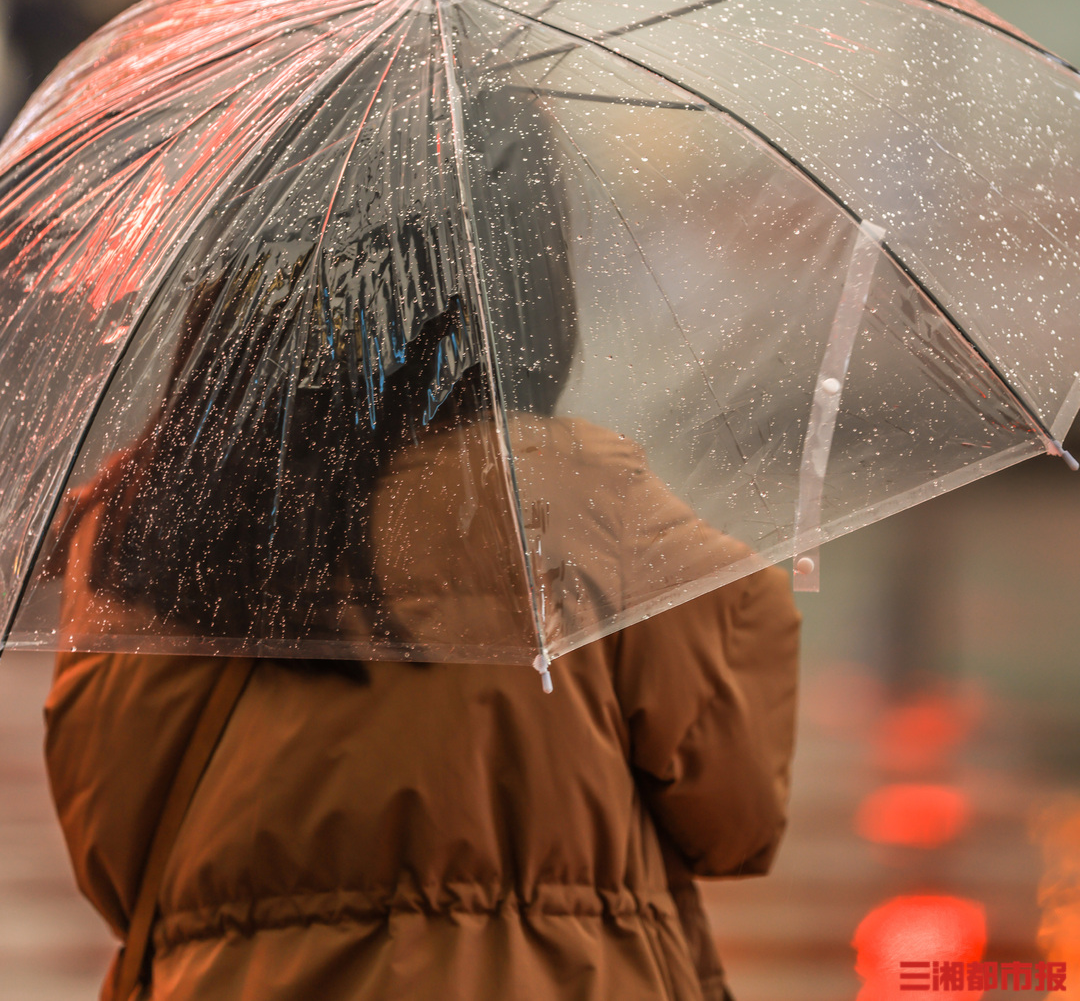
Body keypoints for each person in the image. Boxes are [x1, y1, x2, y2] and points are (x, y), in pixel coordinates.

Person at [42, 83, 800, 1001]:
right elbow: (737, 813)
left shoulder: (143, 524)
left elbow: (116, 861)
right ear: (517, 273)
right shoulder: (571, 504)